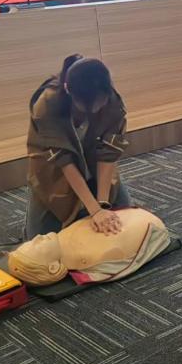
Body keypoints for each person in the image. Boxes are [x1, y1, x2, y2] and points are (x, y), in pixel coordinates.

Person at [25, 55, 129, 240]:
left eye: (100, 102)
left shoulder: (112, 100)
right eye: (85, 106)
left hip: (93, 160)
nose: (94, 109)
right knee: (38, 240)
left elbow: (108, 153)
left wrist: (103, 204)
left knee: (125, 219)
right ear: (68, 90)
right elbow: (63, 161)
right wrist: (94, 210)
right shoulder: (47, 104)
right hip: (54, 168)